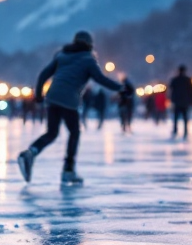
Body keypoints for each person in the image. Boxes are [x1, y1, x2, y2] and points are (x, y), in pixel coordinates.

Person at [17, 31, 124, 185]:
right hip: (69, 100)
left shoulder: (61, 56)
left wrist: (39, 96)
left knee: (52, 133)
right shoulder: (88, 60)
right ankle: (68, 170)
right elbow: (100, 79)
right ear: (90, 45)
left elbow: (43, 75)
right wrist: (121, 88)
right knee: (74, 132)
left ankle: (30, 152)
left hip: (52, 97)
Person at [168, 65, 192, 139]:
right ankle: (185, 131)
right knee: (185, 118)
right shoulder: (187, 80)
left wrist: (172, 99)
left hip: (177, 102)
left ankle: (175, 130)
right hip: (185, 102)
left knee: (176, 117)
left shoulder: (175, 80)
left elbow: (170, 89)